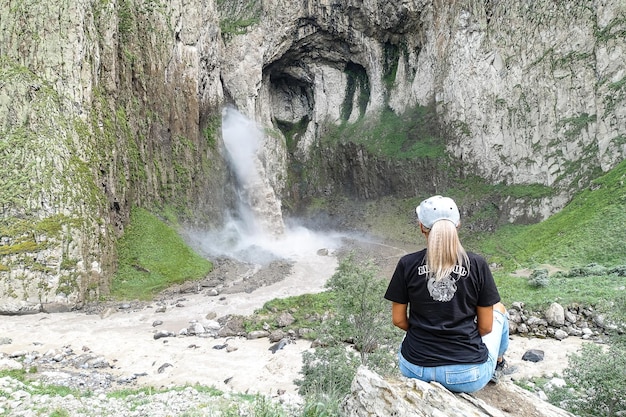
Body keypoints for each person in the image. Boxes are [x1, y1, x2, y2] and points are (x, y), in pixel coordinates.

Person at [384, 195, 510, 393]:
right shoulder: (476, 265)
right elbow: (486, 327)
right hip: (466, 376)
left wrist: (424, 332)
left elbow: (399, 321)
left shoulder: (406, 264)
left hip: (414, 369)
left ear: (421, 227)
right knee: (500, 310)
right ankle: (498, 364)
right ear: (458, 225)